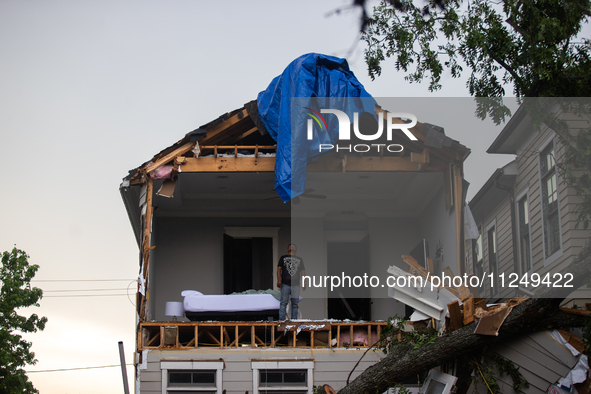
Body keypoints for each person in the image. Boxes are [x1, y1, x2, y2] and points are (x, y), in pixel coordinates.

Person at [277, 243, 306, 320]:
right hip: (285, 284)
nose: (292, 247)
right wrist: (279, 280)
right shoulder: (283, 258)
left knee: (295, 304)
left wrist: (304, 282)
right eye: (290, 246)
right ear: (287, 249)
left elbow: (303, 271)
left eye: (293, 247)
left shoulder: (299, 259)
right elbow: (279, 269)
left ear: (296, 250)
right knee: (283, 303)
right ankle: (282, 320)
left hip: (296, 285)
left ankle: (294, 321)